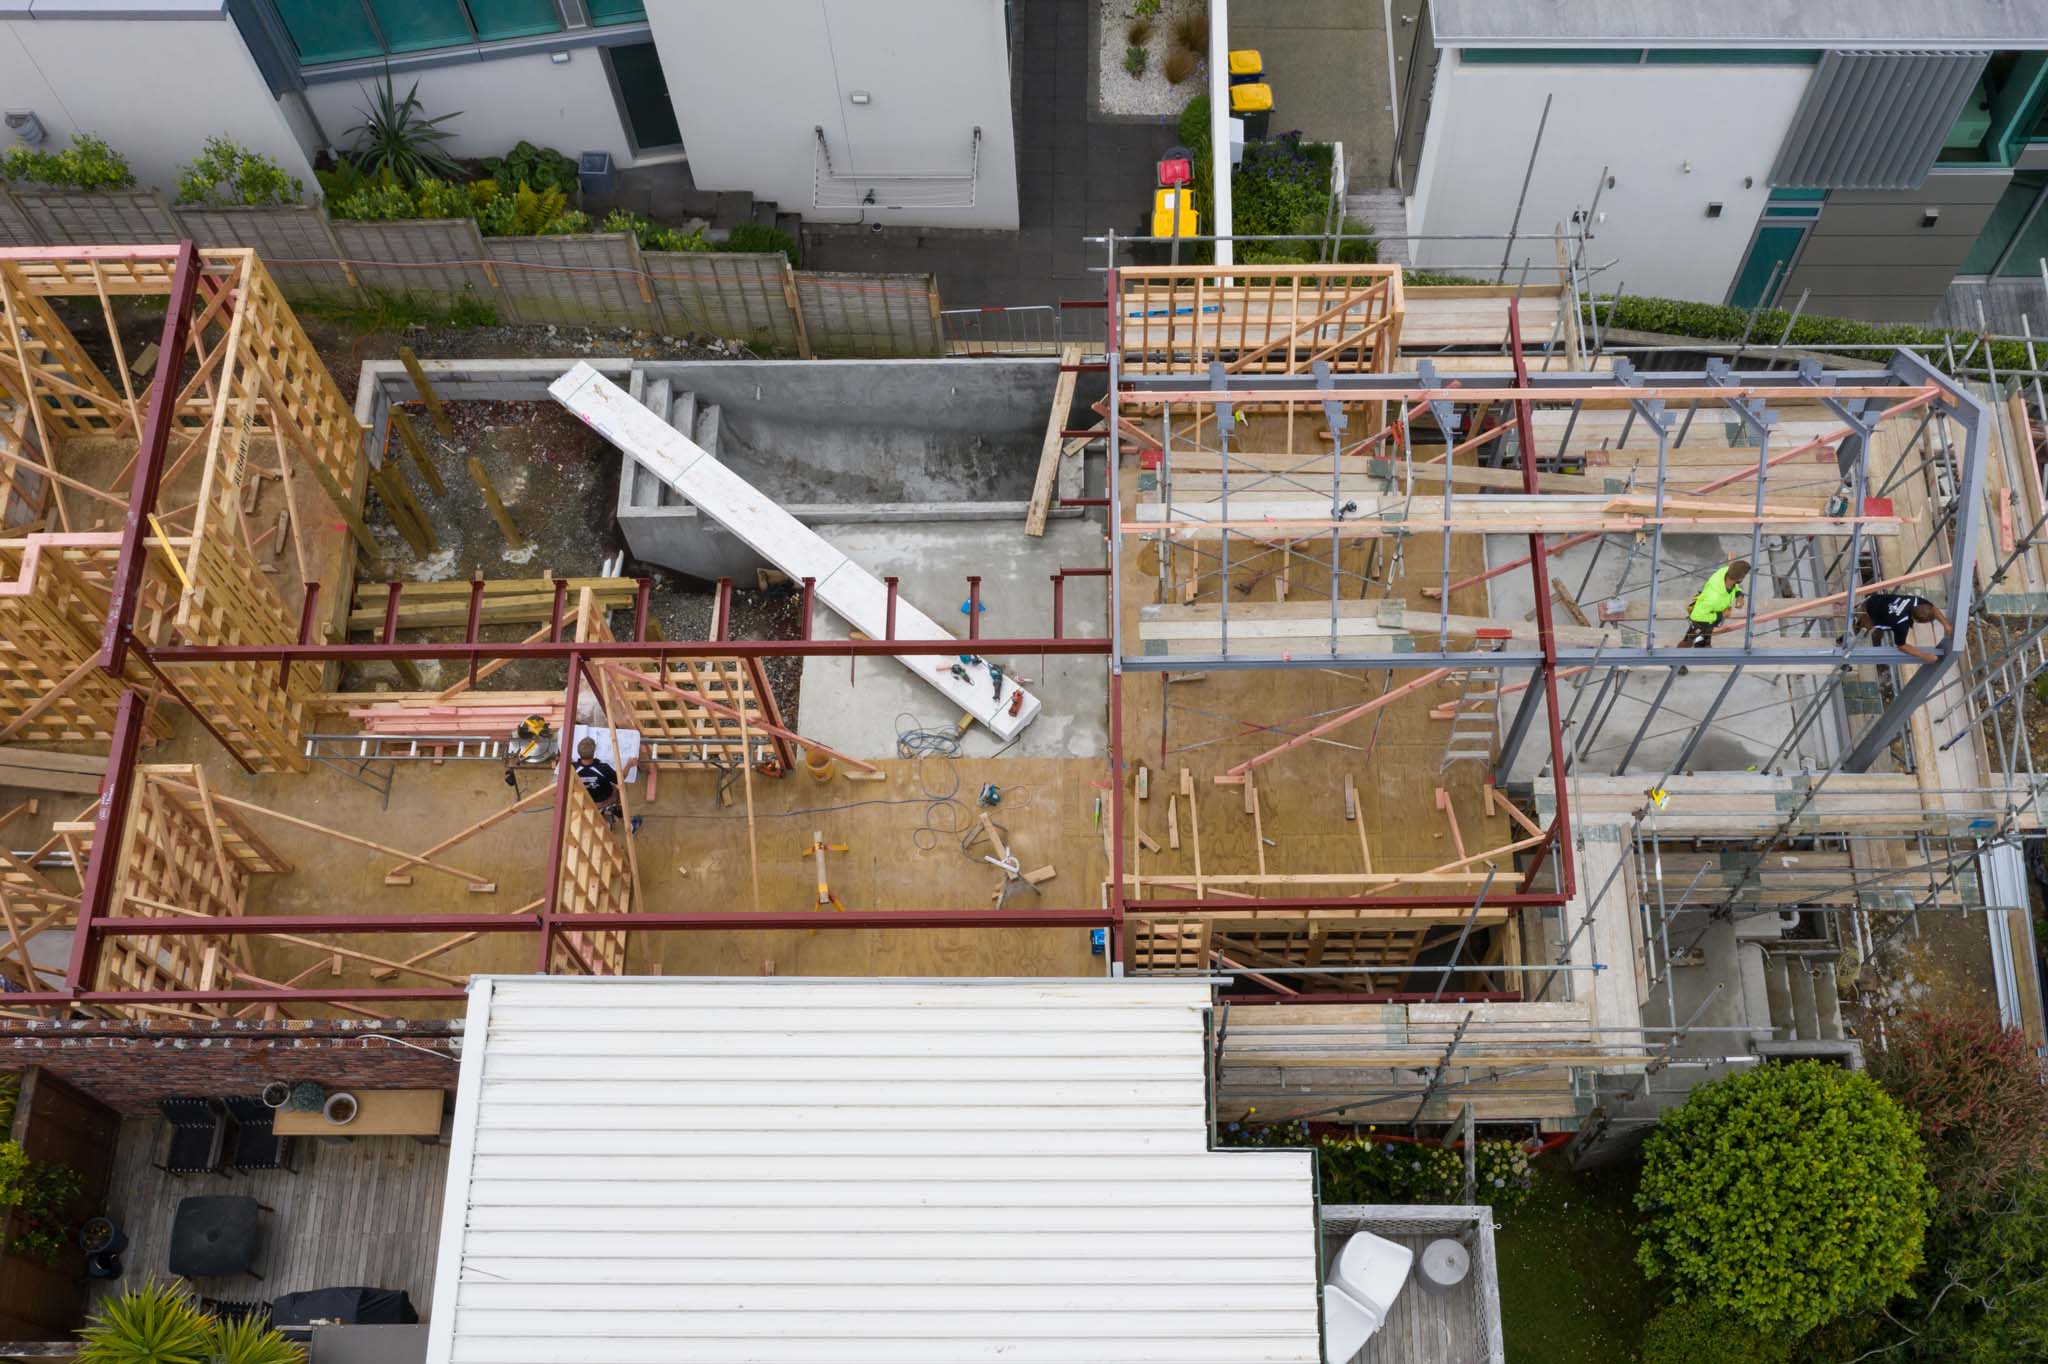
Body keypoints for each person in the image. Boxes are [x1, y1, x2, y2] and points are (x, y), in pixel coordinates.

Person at [1675, 560, 1750, 673]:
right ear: (1740, 578)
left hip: (1710, 616)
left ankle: (1703, 646)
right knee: (1688, 641)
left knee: (1706, 635)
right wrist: (1721, 615)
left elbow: (1734, 585)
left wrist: (1739, 594)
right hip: (1701, 622)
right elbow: (1696, 615)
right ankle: (1674, 660)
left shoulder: (1726, 572)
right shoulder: (1714, 597)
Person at [1852, 591, 1950, 665]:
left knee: (1883, 618)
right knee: (1857, 637)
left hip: (1872, 600)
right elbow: (1902, 646)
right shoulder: (1901, 625)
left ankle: (1856, 614)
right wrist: (1924, 656)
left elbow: (1931, 607)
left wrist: (1946, 624)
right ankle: (1844, 651)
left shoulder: (1913, 600)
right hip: (1867, 617)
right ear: (1917, 621)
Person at [572, 737, 642, 834]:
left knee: (598, 811)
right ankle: (630, 828)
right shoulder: (602, 768)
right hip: (607, 799)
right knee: (617, 802)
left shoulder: (572, 768)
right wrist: (629, 765)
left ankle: (606, 825)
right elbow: (619, 779)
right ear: (594, 751)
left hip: (588, 801)